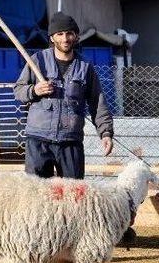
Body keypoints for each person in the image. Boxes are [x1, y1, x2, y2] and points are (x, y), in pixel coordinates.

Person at [14, 12, 113, 179]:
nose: (65, 38)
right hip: (39, 140)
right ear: (52, 38)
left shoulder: (85, 67)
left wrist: (106, 133)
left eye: (69, 33)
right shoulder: (38, 60)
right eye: (60, 34)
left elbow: (97, 102)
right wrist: (34, 91)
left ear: (75, 36)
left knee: (74, 195)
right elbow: (18, 91)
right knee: (38, 194)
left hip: (70, 142)